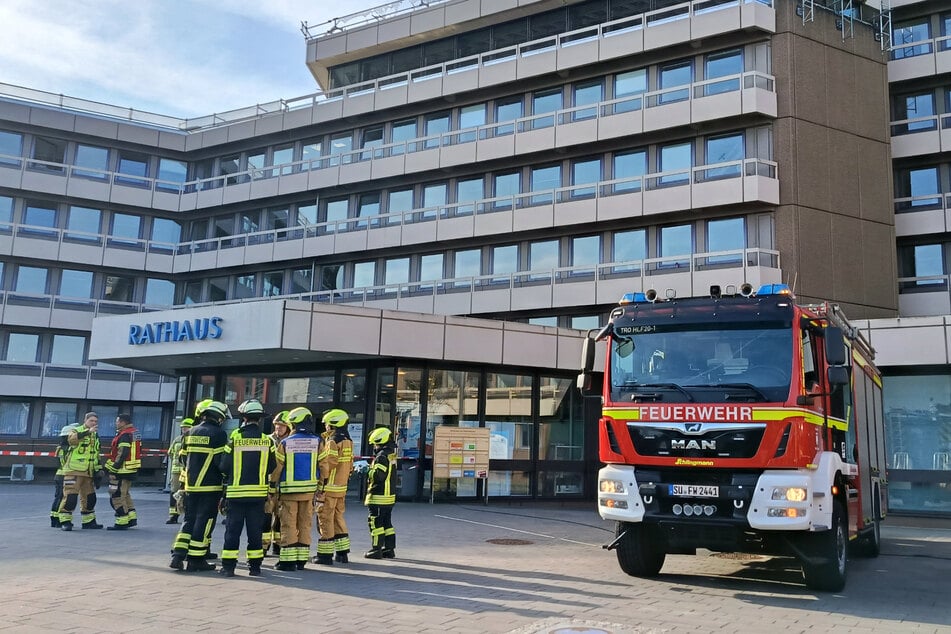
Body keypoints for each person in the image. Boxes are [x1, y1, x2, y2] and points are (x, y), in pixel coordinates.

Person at [217, 399, 276, 578]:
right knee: (255, 532)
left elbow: (224, 466)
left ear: (244, 418)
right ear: (259, 419)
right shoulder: (267, 441)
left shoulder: (235, 439)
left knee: (232, 531)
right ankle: (255, 567)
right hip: (258, 495)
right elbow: (272, 466)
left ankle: (228, 567)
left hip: (236, 494)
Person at [170, 400, 229, 573]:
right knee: (204, 521)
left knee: (188, 520)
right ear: (219, 417)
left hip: (191, 486)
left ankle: (178, 555)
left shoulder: (190, 432)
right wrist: (226, 478)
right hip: (210, 487)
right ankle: (196, 560)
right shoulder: (219, 434)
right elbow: (221, 463)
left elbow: (182, 458)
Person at [270, 407, 322, 571]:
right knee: (305, 524)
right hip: (309, 493)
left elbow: (277, 468)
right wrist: (321, 487)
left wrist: (272, 486)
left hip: (289, 493)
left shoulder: (286, 443)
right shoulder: (318, 441)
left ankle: (287, 562)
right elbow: (324, 466)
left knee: (289, 525)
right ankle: (301, 560)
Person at [315, 408, 354, 565]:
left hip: (329, 487)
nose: (325, 426)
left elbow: (328, 465)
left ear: (333, 424)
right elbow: (350, 465)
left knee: (325, 519)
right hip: (341, 488)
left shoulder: (332, 441)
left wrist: (320, 483)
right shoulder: (348, 441)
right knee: (338, 518)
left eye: (327, 424)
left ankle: (324, 555)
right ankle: (342, 554)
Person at [57, 412, 103, 531]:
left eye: (95, 421)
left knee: (90, 498)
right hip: (74, 470)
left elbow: (96, 454)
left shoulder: (95, 435)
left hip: (88, 472)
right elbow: (71, 440)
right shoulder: (76, 430)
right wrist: (88, 432)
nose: (94, 423)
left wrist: (98, 470)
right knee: (70, 497)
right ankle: (65, 521)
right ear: (85, 420)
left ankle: (88, 522)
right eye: (91, 420)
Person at [104, 413, 142, 530]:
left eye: (117, 421)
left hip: (121, 470)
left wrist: (113, 469)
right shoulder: (134, 432)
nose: (116, 423)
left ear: (123, 422)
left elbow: (122, 453)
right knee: (125, 494)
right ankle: (131, 518)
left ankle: (122, 521)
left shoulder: (124, 434)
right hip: (131, 469)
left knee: (116, 495)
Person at [364, 426, 397, 559]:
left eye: (375, 444)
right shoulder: (390, 454)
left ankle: (376, 549)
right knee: (387, 524)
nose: (374, 446)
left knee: (376, 523)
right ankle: (389, 549)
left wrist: (367, 470)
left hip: (378, 496)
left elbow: (379, 476)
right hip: (389, 497)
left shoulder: (381, 456)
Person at [263, 410, 290, 557]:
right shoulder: (267, 440)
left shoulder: (291, 442)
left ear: (288, 427)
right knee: (266, 516)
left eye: (282, 425)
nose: (278, 427)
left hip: (284, 485)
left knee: (281, 517)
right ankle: (263, 546)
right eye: (277, 425)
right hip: (268, 485)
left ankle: (277, 545)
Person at [166, 417, 194, 524]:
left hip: (188, 471)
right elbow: (170, 453)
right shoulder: (177, 439)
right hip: (177, 471)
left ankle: (187, 514)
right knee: (174, 492)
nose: (184, 429)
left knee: (187, 493)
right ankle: (173, 515)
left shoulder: (192, 440)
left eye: (186, 427)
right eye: (183, 428)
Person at [50, 423, 76, 528]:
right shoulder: (70, 448)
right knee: (63, 498)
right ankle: (59, 520)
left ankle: (54, 519)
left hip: (59, 474)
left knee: (58, 497)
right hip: (66, 475)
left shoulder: (60, 448)